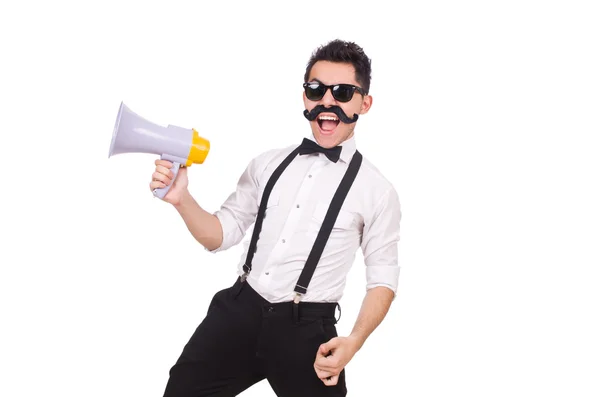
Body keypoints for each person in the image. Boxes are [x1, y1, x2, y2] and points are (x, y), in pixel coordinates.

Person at [150, 39, 402, 397]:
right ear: (305, 98)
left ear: (365, 102)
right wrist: (181, 199)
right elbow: (219, 235)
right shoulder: (267, 164)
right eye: (317, 90)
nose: (327, 101)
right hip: (240, 309)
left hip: (307, 331)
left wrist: (355, 341)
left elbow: (383, 280)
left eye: (342, 92)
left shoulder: (377, 191)